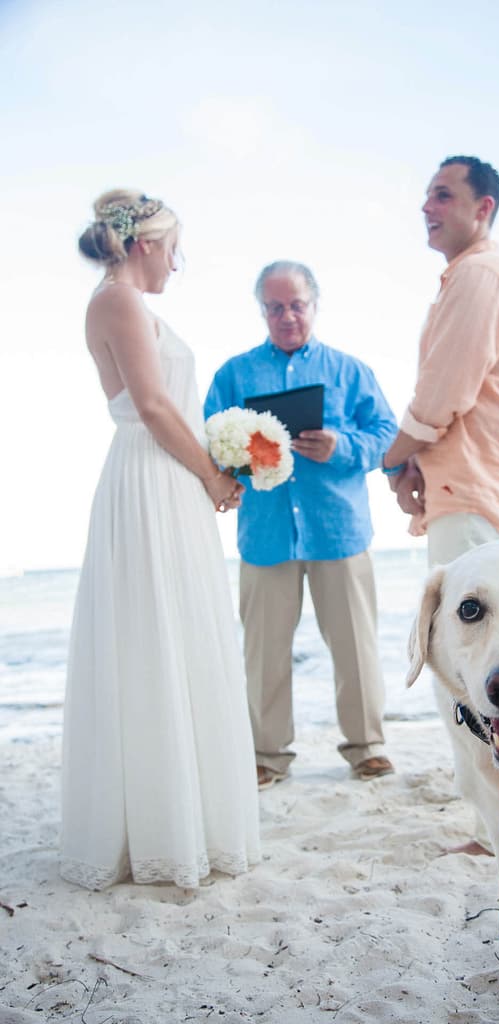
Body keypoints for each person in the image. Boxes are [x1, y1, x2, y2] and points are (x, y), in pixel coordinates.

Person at [61, 190, 261, 890]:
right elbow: (149, 407)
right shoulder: (116, 299)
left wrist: (222, 461)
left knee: (184, 636)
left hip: (168, 477)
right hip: (149, 479)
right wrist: (211, 474)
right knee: (154, 640)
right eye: (175, 245)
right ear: (144, 243)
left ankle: (192, 815)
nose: (179, 260)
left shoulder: (136, 305)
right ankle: (155, 827)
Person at [383, 156, 499, 852]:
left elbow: (443, 391)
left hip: (475, 495)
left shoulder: (480, 275)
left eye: (442, 195)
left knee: (472, 666)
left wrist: (392, 457)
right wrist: (413, 461)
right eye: (425, 195)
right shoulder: (472, 276)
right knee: (479, 662)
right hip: (470, 488)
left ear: (482, 208)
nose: (426, 205)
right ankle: (497, 820)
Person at [204, 261, 397, 789]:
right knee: (264, 652)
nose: (287, 316)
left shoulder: (350, 370)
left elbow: (386, 434)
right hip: (265, 535)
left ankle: (367, 748)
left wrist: (343, 446)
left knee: (356, 646)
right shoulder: (234, 375)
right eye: (275, 307)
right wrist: (238, 460)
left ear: (314, 304)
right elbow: (210, 443)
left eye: (296, 305)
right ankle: (267, 755)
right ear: (261, 310)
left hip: (338, 530)